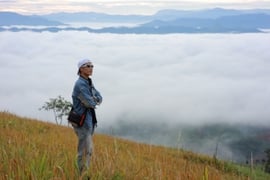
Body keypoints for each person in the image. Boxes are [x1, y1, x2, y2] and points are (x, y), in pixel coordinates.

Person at [71, 58, 102, 175]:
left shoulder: (88, 81)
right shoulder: (80, 84)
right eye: (88, 66)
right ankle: (82, 174)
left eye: (92, 66)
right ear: (81, 69)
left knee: (87, 150)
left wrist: (93, 100)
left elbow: (100, 97)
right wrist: (93, 100)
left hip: (89, 120)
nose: (91, 68)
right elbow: (91, 103)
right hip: (82, 121)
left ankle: (84, 173)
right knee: (85, 150)